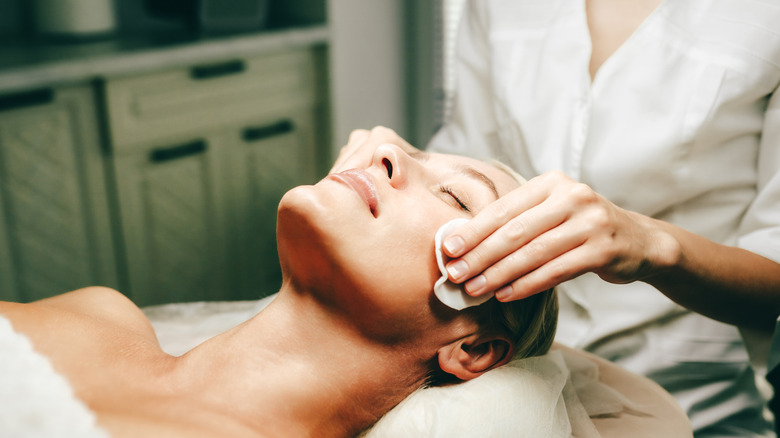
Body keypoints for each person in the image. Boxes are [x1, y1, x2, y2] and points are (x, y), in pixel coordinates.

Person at [336, 0, 780, 436]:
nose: (385, 153)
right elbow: (466, 162)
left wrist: (653, 247)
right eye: (457, 197)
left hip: (697, 408)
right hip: (495, 396)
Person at [0, 145, 559, 437]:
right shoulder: (100, 314)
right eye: (413, 155)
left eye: (458, 197)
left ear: (475, 349)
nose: (385, 154)